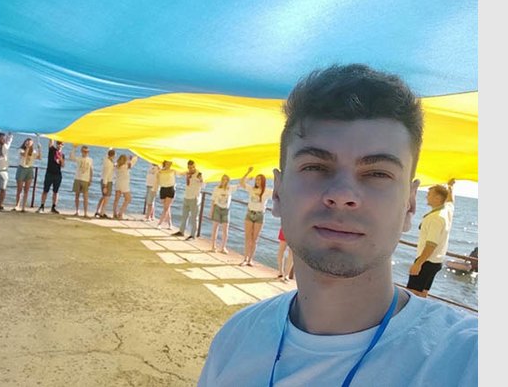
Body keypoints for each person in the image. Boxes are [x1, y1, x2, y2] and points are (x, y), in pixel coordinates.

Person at [199, 64, 477, 386]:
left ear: (410, 205)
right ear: (277, 193)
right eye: (315, 166)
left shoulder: (467, 360)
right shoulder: (235, 339)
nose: (342, 195)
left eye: (377, 173)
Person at [406, 179, 456, 297]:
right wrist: (451, 187)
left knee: (412, 294)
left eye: (429, 194)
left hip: (427, 262)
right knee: (422, 293)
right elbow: (451, 201)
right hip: (436, 262)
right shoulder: (447, 210)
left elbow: (431, 244)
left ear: (437, 198)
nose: (426, 197)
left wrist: (418, 264)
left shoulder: (436, 218)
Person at [238, 166, 273, 266]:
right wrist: (248, 172)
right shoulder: (252, 189)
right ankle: (245, 259)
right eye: (256, 179)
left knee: (254, 239)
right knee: (247, 238)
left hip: (259, 215)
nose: (257, 181)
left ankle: (250, 259)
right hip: (250, 213)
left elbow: (279, 192)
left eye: (259, 179)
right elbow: (241, 183)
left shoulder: (267, 191)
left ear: (263, 181)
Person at [208, 171, 249, 253]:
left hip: (225, 210)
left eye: (226, 179)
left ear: (228, 181)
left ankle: (223, 247)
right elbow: (213, 200)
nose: (224, 181)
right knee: (215, 228)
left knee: (225, 230)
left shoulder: (230, 188)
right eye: (223, 179)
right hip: (217, 208)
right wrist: (211, 211)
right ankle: (213, 246)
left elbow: (240, 184)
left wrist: (247, 175)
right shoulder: (216, 188)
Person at [171, 160, 204, 240]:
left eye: (192, 167)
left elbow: (203, 185)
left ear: (195, 166)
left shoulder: (199, 174)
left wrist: (201, 180)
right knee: (184, 216)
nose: (190, 169)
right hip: (187, 196)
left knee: (194, 218)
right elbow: (179, 174)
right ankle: (181, 231)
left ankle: (193, 235)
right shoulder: (187, 173)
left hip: (194, 198)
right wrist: (172, 168)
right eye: (189, 167)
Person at [13, 136, 42, 212]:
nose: (29, 143)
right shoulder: (21, 150)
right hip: (22, 168)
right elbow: (25, 155)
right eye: (27, 141)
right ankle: (17, 205)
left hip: (29, 169)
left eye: (30, 142)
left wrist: (39, 149)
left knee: (26, 190)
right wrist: (27, 148)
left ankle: (23, 207)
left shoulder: (33, 151)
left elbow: (39, 157)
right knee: (19, 189)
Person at [36, 139, 65, 214]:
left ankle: (53, 207)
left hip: (57, 175)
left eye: (61, 144)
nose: (59, 145)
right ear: (56, 144)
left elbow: (63, 165)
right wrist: (52, 137)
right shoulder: (52, 150)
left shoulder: (62, 154)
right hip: (49, 173)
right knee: (45, 190)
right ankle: (42, 206)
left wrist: (61, 159)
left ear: (63, 146)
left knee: (56, 191)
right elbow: (50, 142)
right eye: (58, 143)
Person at [69, 145, 94, 217]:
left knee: (85, 197)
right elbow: (71, 157)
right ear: (81, 151)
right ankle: (77, 211)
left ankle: (85, 213)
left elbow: (91, 170)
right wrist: (74, 148)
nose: (85, 153)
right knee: (77, 196)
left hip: (85, 180)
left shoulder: (90, 160)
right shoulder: (79, 158)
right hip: (78, 178)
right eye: (84, 151)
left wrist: (90, 179)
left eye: (87, 151)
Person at [112, 154, 139, 219]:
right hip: (124, 184)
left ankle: (114, 214)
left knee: (116, 200)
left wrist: (129, 159)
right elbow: (133, 162)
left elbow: (115, 165)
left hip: (118, 183)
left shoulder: (116, 166)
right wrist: (136, 157)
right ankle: (120, 213)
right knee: (128, 199)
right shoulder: (127, 166)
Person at [154, 160, 176, 230]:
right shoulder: (160, 171)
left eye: (170, 163)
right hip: (163, 189)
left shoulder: (173, 170)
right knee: (167, 208)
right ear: (165, 163)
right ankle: (170, 224)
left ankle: (159, 224)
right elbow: (157, 181)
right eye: (167, 163)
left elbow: (182, 173)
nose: (168, 165)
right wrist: (154, 189)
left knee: (166, 208)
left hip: (170, 189)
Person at [95, 149, 116, 218]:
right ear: (113, 155)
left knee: (104, 197)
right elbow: (106, 175)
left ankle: (98, 211)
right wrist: (105, 186)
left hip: (105, 180)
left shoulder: (107, 160)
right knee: (106, 198)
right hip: (107, 182)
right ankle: (102, 213)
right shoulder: (108, 163)